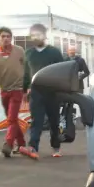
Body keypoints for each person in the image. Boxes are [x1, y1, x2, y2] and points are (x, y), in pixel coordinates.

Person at [20, 24, 65, 160]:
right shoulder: (28, 53)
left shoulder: (54, 52)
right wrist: (24, 89)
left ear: (45, 35)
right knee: (36, 121)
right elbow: (26, 74)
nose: (36, 37)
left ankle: (56, 147)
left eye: (38, 34)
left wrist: (62, 89)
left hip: (52, 91)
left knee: (54, 121)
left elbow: (62, 71)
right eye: (33, 35)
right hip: (36, 91)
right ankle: (33, 147)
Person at [0, 27, 26, 158]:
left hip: (18, 89)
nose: (6, 38)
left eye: (8, 36)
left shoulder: (19, 51)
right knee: (12, 119)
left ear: (11, 38)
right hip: (3, 89)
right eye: (3, 36)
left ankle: (8, 144)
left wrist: (27, 86)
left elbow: (27, 68)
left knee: (12, 118)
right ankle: (22, 144)